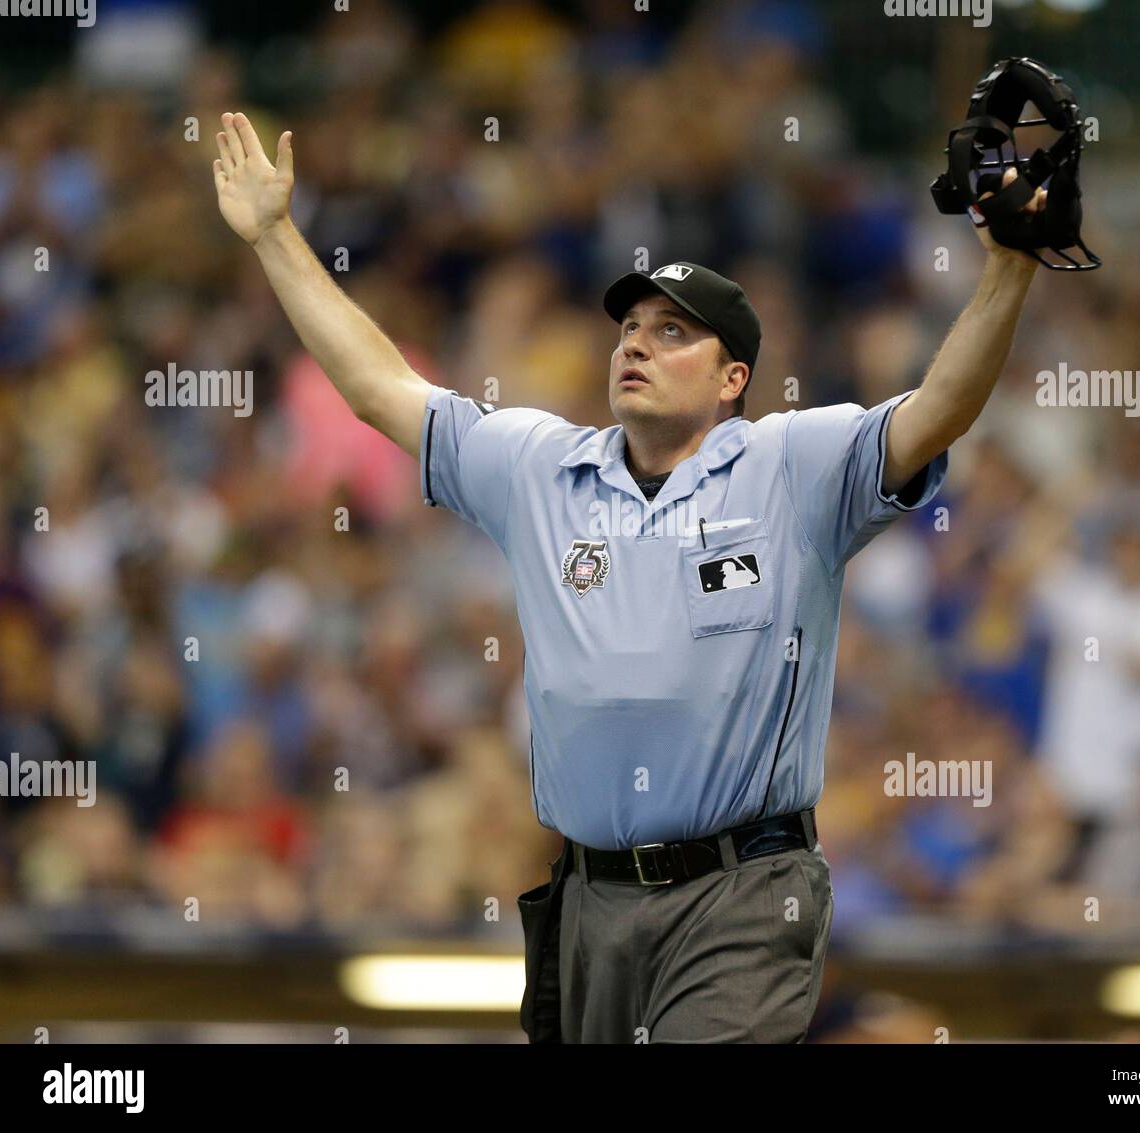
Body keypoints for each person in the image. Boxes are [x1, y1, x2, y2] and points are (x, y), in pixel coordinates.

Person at [212, 110, 1048, 1043]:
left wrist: (1010, 264)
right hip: (591, 894)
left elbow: (937, 412)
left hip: (742, 890)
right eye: (630, 328)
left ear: (734, 377)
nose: (635, 344)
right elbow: (377, 387)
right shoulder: (539, 465)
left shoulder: (791, 465)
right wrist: (275, 236)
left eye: (672, 331)